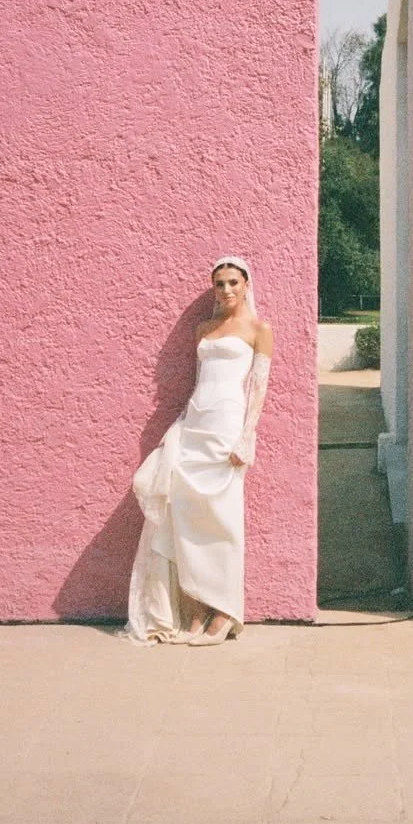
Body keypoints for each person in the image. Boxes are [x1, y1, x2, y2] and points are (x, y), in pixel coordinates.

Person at [125, 256, 273, 646]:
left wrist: (247, 436)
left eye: (232, 283)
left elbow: (258, 387)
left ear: (246, 284)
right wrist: (181, 424)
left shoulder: (259, 329)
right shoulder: (203, 329)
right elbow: (198, 383)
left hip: (227, 428)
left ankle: (224, 612)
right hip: (195, 426)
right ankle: (196, 610)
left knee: (222, 519)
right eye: (219, 284)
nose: (225, 290)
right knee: (186, 517)